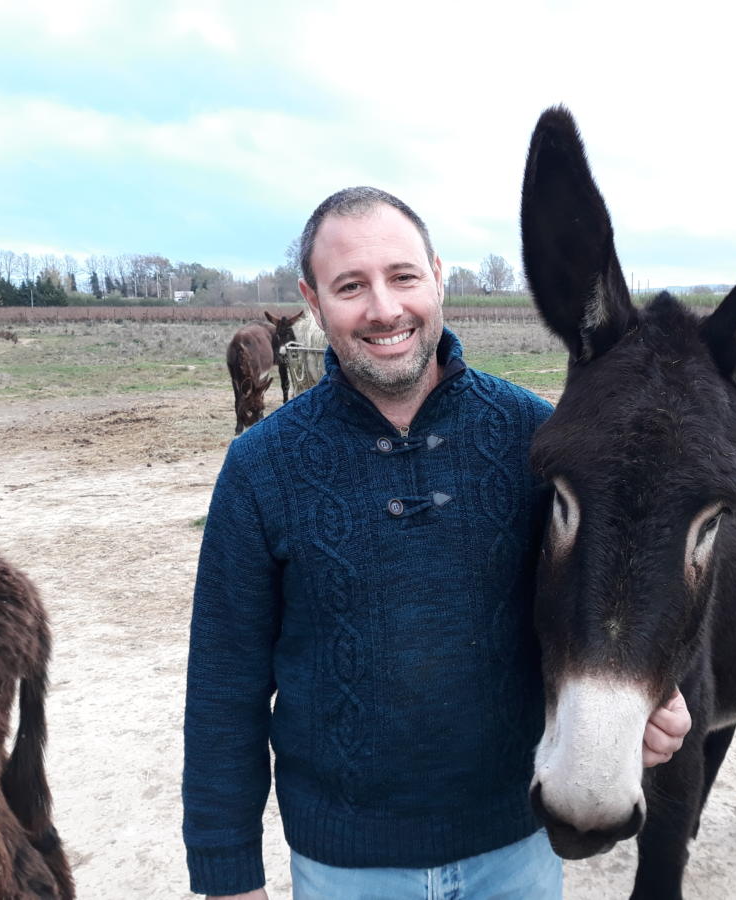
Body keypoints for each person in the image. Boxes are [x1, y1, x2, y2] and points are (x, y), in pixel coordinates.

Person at [182, 187, 691, 900]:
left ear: (438, 277)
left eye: (403, 276)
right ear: (312, 301)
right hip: (344, 870)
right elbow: (223, 686)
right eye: (350, 286)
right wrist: (227, 876)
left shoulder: (534, 438)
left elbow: (601, 603)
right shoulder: (261, 467)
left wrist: (652, 698)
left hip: (515, 854)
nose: (384, 308)